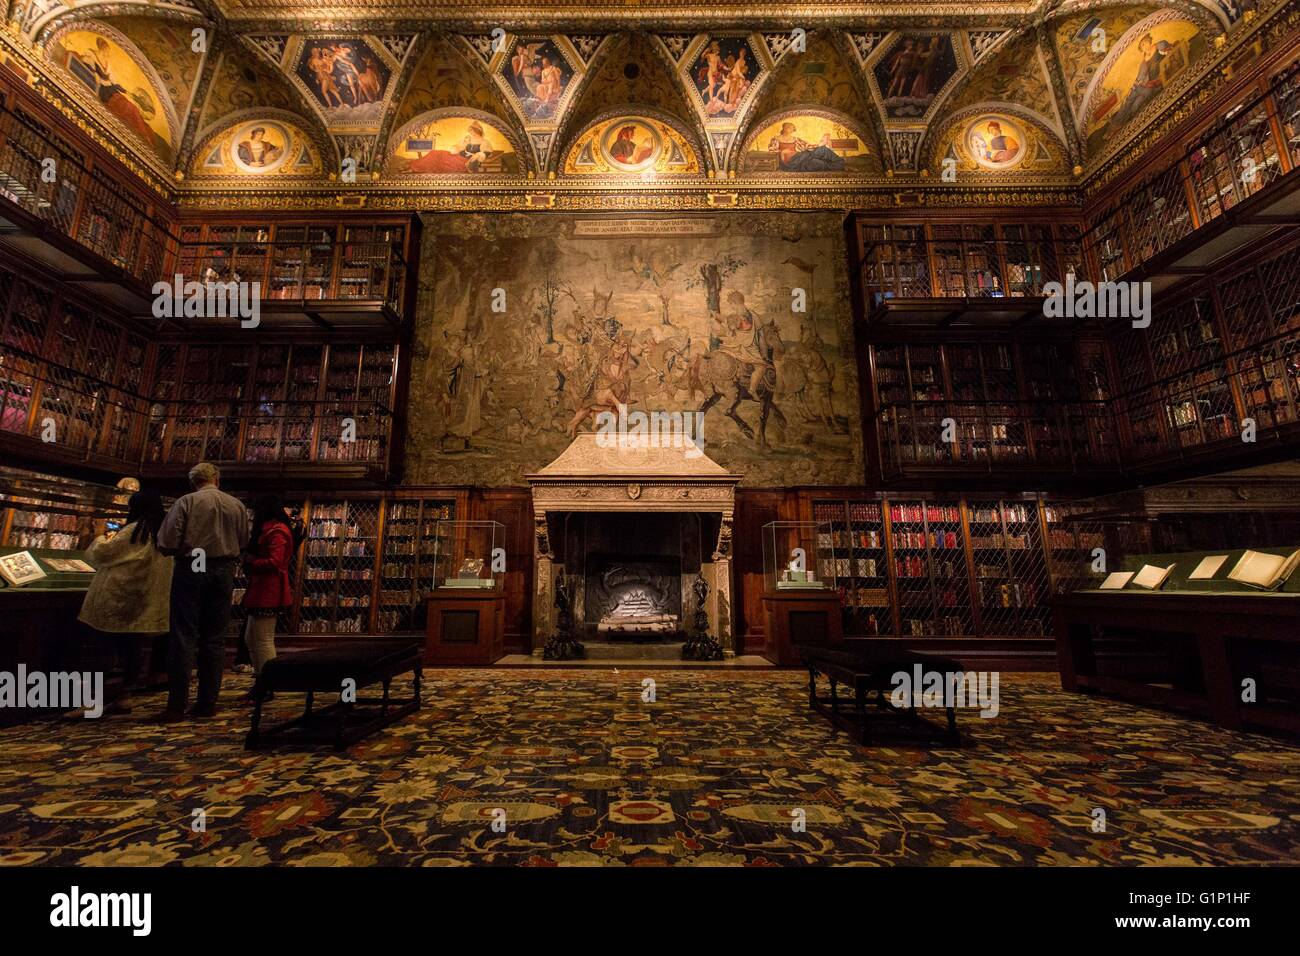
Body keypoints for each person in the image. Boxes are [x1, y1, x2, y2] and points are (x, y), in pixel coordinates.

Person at [155, 462, 249, 721]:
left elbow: (167, 540)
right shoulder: (236, 505)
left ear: (193, 481)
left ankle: (176, 705)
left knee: (184, 635)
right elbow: (243, 541)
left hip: (192, 565)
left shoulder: (186, 502)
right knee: (215, 638)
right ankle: (207, 702)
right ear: (217, 478)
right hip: (224, 569)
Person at [76, 490, 172, 715]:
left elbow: (102, 553)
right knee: (131, 649)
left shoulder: (134, 531)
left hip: (117, 597)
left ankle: (92, 702)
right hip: (141, 601)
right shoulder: (162, 536)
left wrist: (100, 536)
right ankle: (123, 695)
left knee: (104, 650)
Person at [240, 494, 296, 699]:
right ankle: (261, 680)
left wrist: (252, 563)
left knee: (262, 639)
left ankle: (268, 684)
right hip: (262, 588)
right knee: (251, 637)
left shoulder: (277, 531)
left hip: (269, 590)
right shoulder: (274, 529)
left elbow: (276, 562)